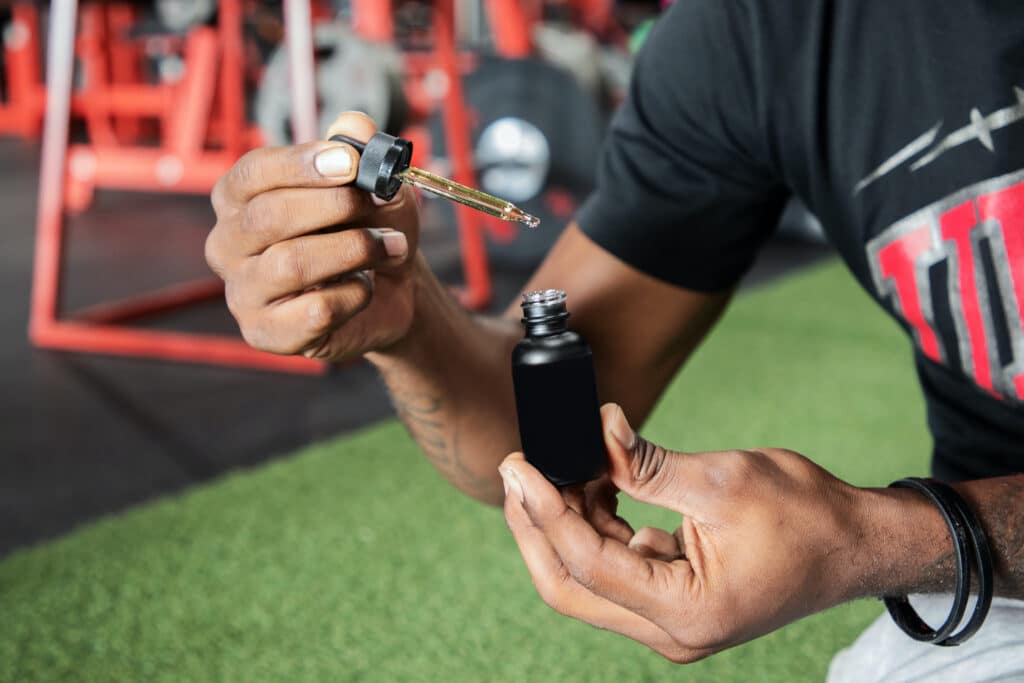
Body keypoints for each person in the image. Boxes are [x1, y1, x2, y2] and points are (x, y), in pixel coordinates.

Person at [204, 1, 1024, 678]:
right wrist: (407, 318)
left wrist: (887, 538)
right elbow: (533, 432)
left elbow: (902, 541)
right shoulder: (756, 33)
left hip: (964, 553)